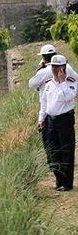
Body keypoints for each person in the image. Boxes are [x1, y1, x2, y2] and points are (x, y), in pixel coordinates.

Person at [28, 44, 78, 166]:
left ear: (44, 58)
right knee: (59, 143)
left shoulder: (44, 71)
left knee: (53, 143)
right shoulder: (67, 69)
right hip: (56, 109)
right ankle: (58, 168)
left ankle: (56, 166)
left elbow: (31, 84)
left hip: (56, 111)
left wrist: (41, 69)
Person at [37, 54, 76, 192]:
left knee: (66, 151)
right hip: (51, 120)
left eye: (57, 66)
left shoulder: (71, 82)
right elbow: (44, 102)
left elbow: (69, 97)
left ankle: (67, 183)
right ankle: (58, 180)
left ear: (64, 67)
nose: (54, 69)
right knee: (53, 152)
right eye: (52, 66)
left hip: (65, 119)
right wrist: (41, 119)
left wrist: (62, 82)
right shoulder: (48, 83)